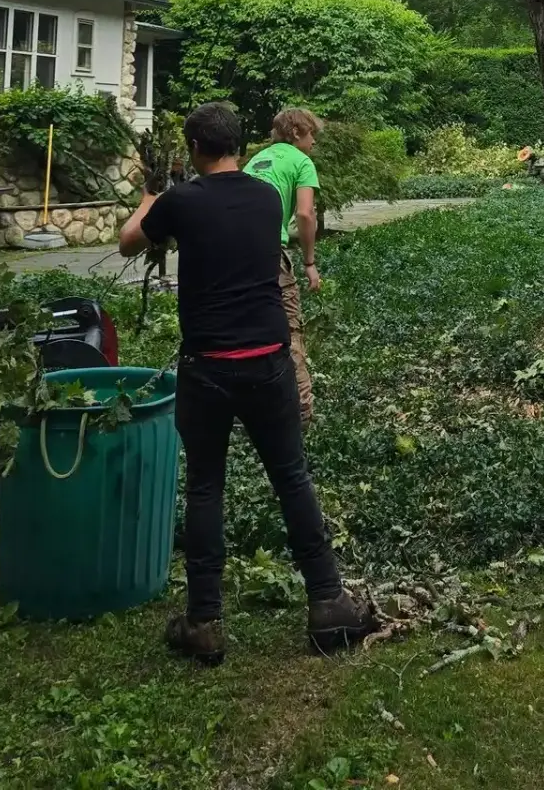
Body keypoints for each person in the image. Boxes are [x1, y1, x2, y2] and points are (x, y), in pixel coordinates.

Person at [118, 100, 374, 664]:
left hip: (206, 366)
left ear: (194, 148)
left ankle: (205, 619)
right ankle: (329, 603)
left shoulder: (180, 201)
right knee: (291, 477)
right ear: (239, 146)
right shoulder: (265, 197)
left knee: (206, 486)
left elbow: (128, 242)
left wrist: (150, 196)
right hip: (269, 359)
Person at [243, 107, 323, 423]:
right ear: (296, 134)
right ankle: (301, 412)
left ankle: (247, 406)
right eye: (311, 133)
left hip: (231, 252)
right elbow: (305, 215)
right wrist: (309, 262)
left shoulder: (256, 160)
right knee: (287, 331)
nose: (314, 141)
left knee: (247, 327)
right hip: (267, 254)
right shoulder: (301, 162)